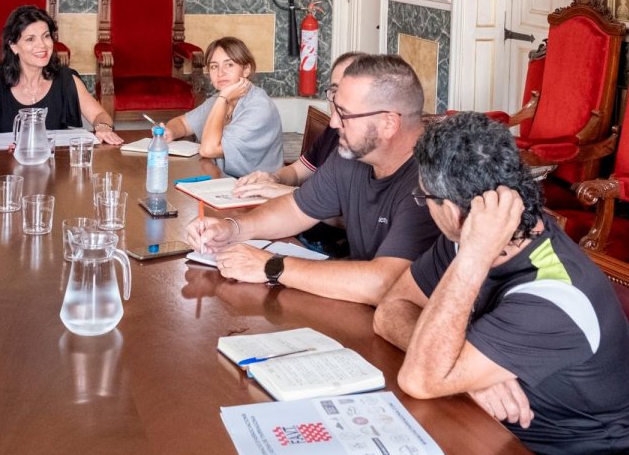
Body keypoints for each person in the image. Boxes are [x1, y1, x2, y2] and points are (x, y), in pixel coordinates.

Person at [373, 112, 629, 455]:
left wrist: (475, 256)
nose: (423, 204)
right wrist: (467, 378)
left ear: (450, 210)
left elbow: (419, 378)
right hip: (492, 433)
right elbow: (391, 309)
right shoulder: (474, 234)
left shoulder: (555, 295)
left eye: (424, 197)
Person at [185, 55, 440, 305]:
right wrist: (231, 229)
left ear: (388, 123)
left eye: (345, 114)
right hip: (355, 308)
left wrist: (271, 265)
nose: (333, 122)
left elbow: (383, 284)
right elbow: (296, 209)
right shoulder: (352, 153)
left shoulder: (431, 179)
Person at [0, 6, 124, 145]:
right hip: (6, 174)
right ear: (14, 46)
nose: (43, 45)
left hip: (56, 175)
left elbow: (101, 115)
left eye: (46, 36)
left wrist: (102, 128)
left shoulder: (66, 79)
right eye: (30, 39)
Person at [233, 51, 369, 199]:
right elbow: (297, 171)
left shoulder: (372, 144)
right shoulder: (332, 129)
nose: (338, 100)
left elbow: (350, 213)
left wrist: (289, 192)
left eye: (347, 91)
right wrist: (273, 179)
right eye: (334, 91)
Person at [164, 37, 283, 178]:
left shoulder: (259, 108)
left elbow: (208, 150)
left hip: (257, 189)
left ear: (246, 70)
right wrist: (169, 132)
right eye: (214, 66)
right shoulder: (220, 98)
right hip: (222, 181)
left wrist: (223, 98)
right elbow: (182, 123)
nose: (220, 72)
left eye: (229, 65)